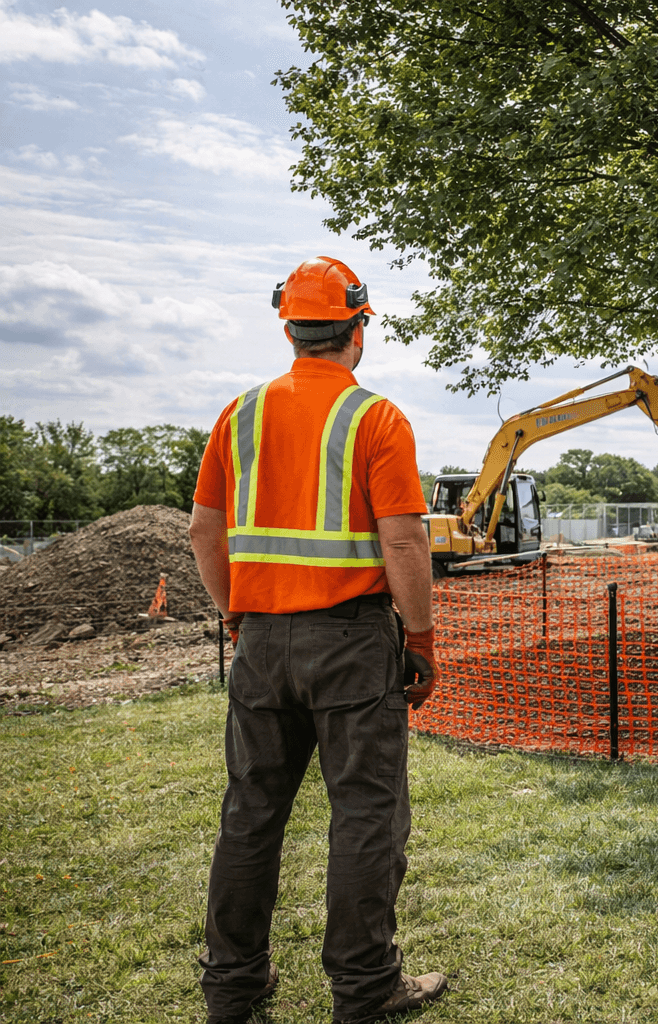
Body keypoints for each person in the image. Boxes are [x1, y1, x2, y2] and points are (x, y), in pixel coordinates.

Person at [188, 256, 447, 1024]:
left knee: (251, 814)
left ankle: (233, 986)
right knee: (365, 814)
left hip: (262, 643)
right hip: (351, 642)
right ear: (359, 328)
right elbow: (403, 543)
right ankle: (366, 990)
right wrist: (423, 637)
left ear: (290, 328)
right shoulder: (377, 418)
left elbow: (205, 530)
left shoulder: (239, 416)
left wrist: (241, 614)